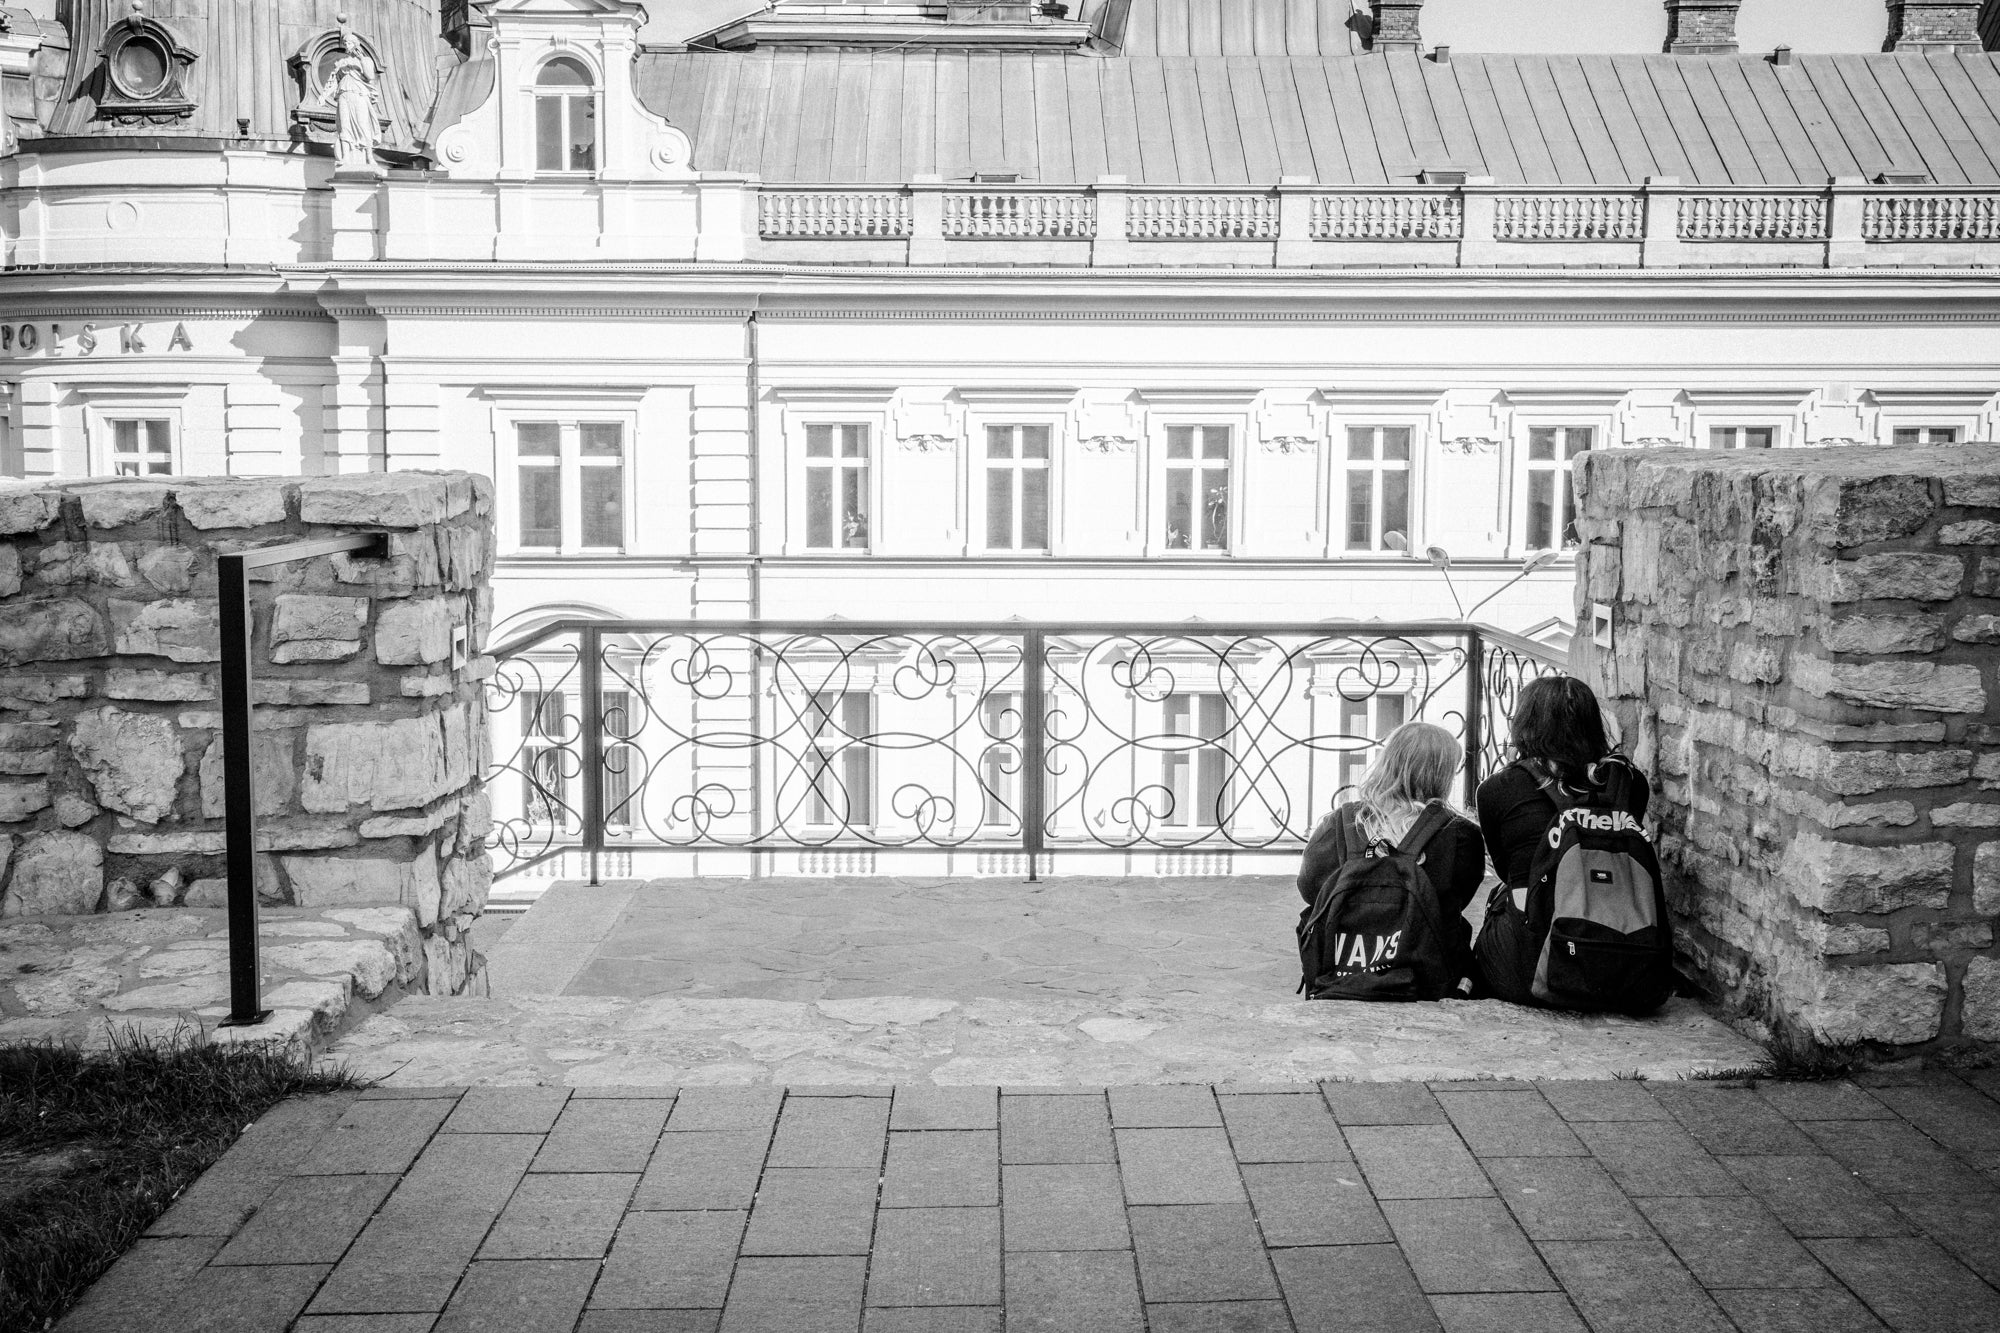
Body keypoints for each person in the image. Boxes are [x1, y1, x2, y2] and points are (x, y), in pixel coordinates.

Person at [1296, 720, 1487, 990]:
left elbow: (1309, 889)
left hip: (1340, 972)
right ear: (1441, 775)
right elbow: (1458, 899)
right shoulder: (1461, 835)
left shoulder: (1339, 824)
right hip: (1423, 977)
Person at [1475, 675, 1649, 895]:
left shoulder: (1497, 788)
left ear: (1524, 724)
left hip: (1536, 910)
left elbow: (1505, 870)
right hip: (1616, 907)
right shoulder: (1628, 780)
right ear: (1592, 724)